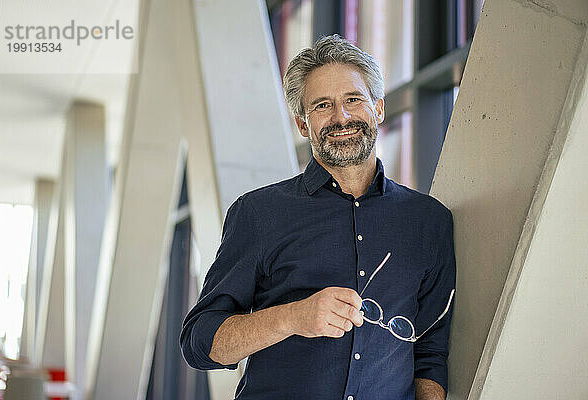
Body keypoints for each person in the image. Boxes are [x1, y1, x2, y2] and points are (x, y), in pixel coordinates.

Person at [180, 34, 456, 400]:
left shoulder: (429, 221)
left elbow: (430, 352)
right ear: (302, 124)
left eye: (353, 100)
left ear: (378, 109)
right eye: (323, 105)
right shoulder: (258, 213)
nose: (341, 117)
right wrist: (293, 317)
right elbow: (201, 344)